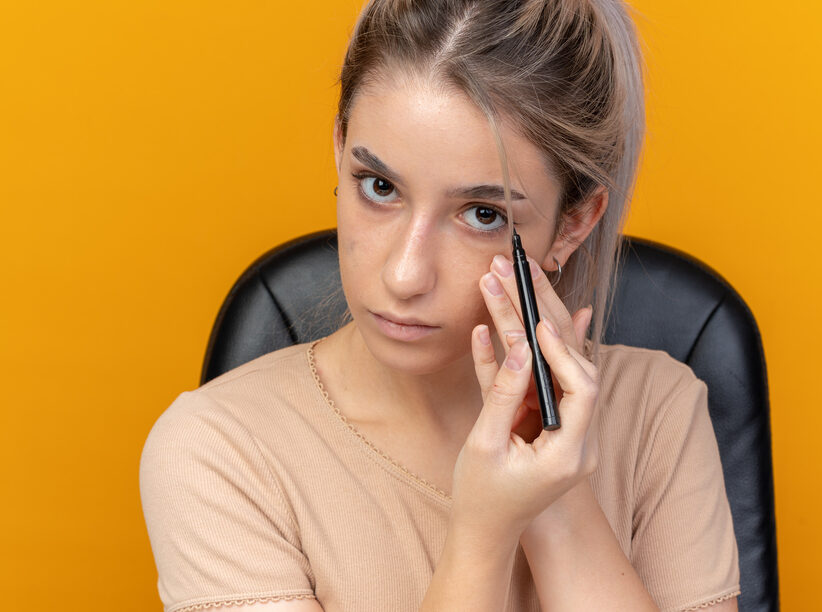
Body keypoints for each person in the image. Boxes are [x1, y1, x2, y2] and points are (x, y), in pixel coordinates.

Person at [139, 1, 741, 610]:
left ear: (572, 224)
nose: (404, 275)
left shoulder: (659, 415)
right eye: (379, 187)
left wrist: (555, 495)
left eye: (483, 215)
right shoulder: (216, 451)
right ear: (339, 147)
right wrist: (481, 536)